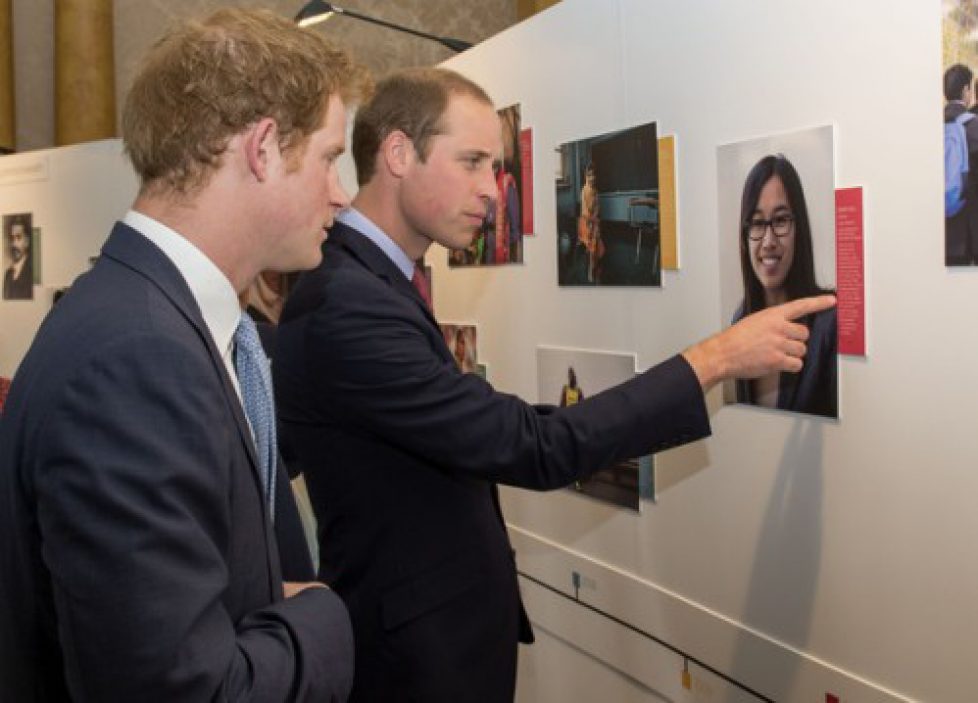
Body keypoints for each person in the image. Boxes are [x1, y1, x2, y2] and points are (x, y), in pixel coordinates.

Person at [273, 66, 835, 703]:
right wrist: (712, 361)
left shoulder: (372, 286)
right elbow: (531, 445)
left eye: (498, 168)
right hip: (413, 665)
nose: (493, 191)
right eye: (474, 162)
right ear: (399, 153)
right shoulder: (349, 304)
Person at [0, 9, 368, 701]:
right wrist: (323, 613)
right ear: (263, 148)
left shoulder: (162, 320)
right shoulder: (137, 357)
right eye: (327, 157)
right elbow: (182, 689)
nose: (341, 194)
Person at [731, 154, 837, 418]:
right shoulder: (741, 320)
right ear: (745, 236)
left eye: (780, 221)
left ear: (798, 227)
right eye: (757, 223)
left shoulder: (830, 322)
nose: (768, 241)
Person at [945, 64, 978, 264]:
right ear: (966, 90)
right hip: (968, 233)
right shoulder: (973, 126)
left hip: (940, 234)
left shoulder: (932, 124)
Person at [3, 214, 33, 299]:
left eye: (18, 237)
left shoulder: (30, 273)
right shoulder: (8, 275)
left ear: (27, 241)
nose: (14, 244)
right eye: (12, 238)